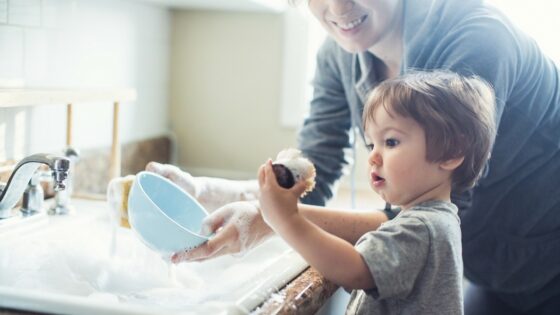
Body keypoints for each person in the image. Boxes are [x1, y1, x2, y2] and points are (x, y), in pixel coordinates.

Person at [147, 0, 560, 313]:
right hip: (488, 267)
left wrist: (276, 219)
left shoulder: (479, 41)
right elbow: (311, 174)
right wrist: (207, 191)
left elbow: (430, 214)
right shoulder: (339, 53)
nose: (340, 8)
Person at [258, 70, 495, 314]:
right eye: (372, 144)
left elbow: (355, 271)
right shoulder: (433, 220)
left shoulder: (420, 228)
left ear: (451, 153)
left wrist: (286, 219)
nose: (373, 156)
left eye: (391, 142)